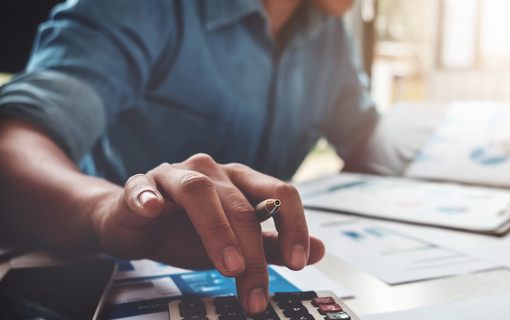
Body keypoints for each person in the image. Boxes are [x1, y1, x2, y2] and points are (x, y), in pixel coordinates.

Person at [0, 0, 385, 314]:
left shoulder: (329, 32)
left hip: (251, 278)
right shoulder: (143, 9)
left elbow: (366, 138)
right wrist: (103, 211)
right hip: (94, 276)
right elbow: (13, 138)